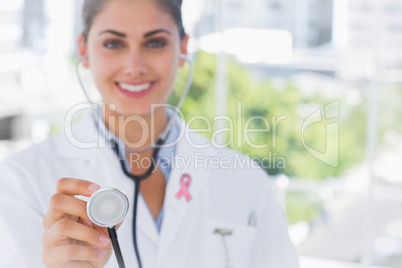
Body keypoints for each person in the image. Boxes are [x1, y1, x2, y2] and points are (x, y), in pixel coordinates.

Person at [0, 0, 300, 267]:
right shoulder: (21, 182)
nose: (135, 66)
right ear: (84, 50)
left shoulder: (244, 180)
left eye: (155, 43)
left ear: (183, 49)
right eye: (114, 44)